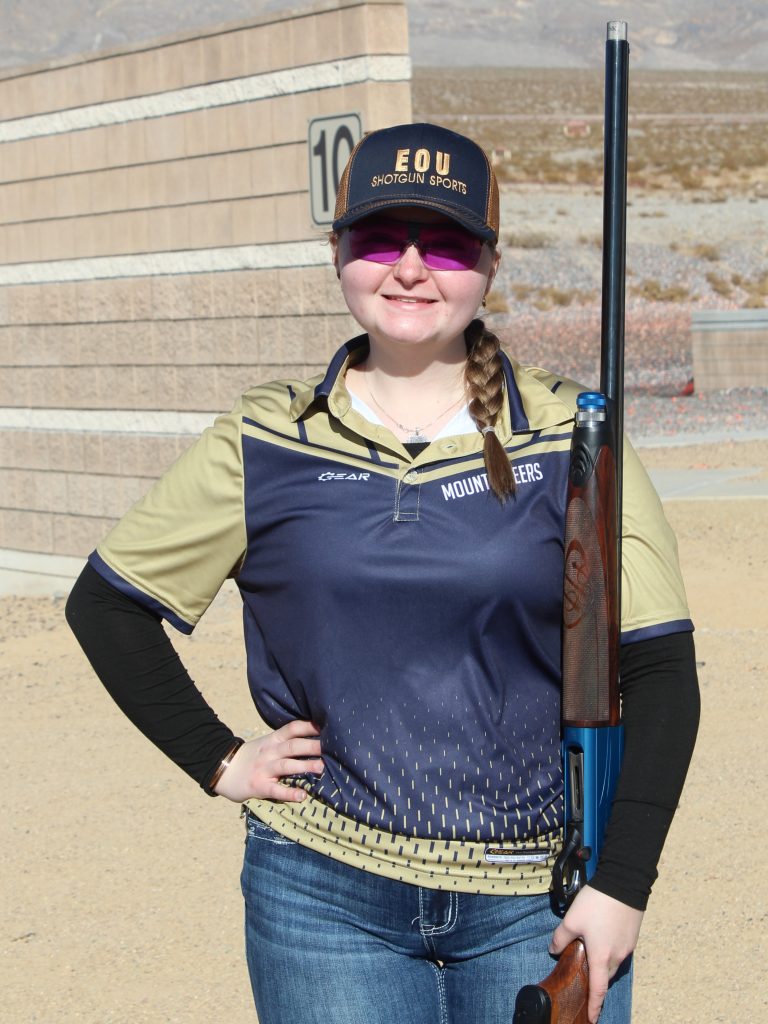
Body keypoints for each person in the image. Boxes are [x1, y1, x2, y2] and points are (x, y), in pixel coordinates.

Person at [66, 122, 699, 1024]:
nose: (409, 267)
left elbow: (660, 673)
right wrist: (221, 760)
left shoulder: (572, 437)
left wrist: (623, 884)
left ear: (489, 264)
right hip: (319, 901)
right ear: (338, 253)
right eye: (378, 238)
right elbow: (107, 605)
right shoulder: (267, 439)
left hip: (541, 902)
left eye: (445, 242)